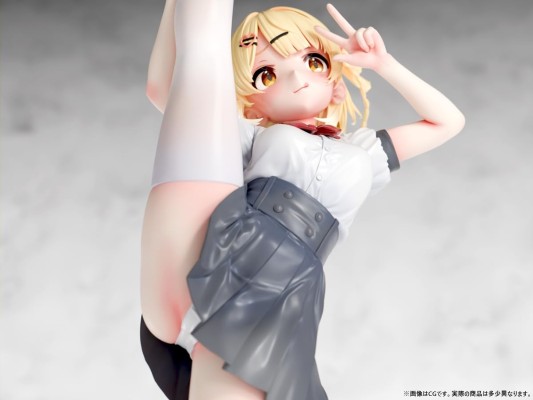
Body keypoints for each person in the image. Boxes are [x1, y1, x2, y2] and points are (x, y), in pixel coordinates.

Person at [139, 2, 465, 400]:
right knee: (201, 60)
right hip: (225, 249)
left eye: (312, 61)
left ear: (336, 82)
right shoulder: (252, 136)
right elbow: (168, 91)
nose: (295, 78)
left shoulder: (364, 150)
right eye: (266, 74)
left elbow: (447, 122)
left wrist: (384, 64)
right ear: (251, 103)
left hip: (285, 289)